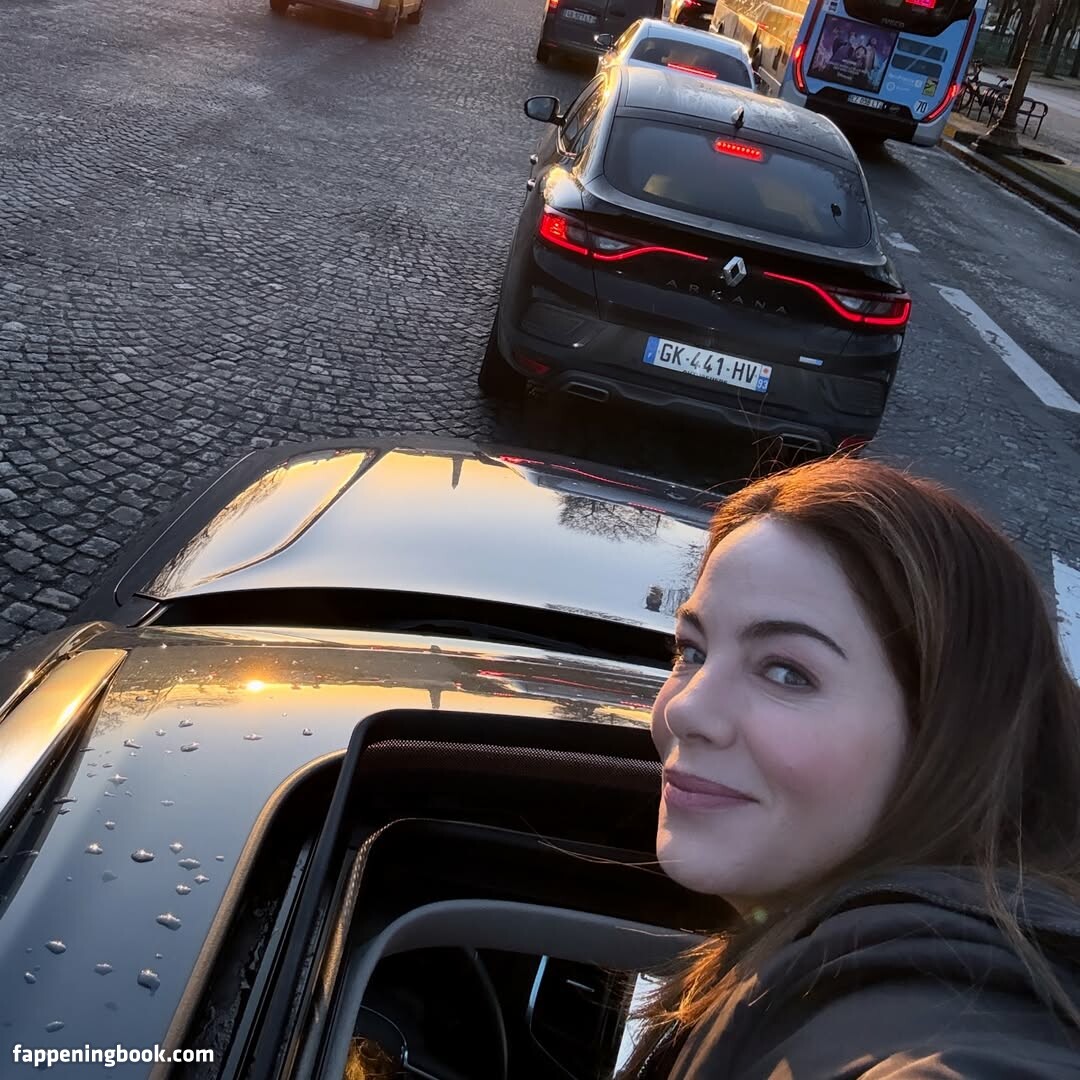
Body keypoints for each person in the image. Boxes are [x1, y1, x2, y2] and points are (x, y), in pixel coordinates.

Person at [625, 456, 1080, 1077]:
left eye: (787, 672)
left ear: (947, 736)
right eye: (692, 650)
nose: (685, 709)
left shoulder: (948, 1020)